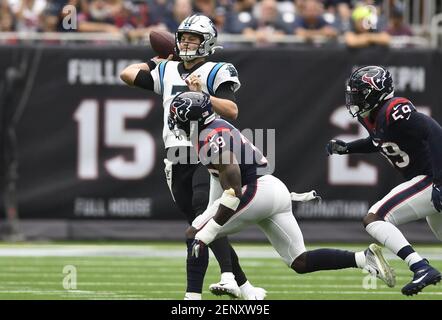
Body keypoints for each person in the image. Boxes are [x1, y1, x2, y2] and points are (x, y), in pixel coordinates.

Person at [168, 91, 396, 296]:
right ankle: (362, 258)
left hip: (256, 190)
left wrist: (207, 231)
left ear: (193, 119)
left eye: (178, 117)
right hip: (273, 189)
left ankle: (192, 300)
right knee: (300, 261)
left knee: (195, 233)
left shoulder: (209, 137)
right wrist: (209, 217)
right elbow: (220, 179)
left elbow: (233, 189)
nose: (175, 122)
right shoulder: (216, 126)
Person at [120, 14, 265, 300]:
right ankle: (245, 288)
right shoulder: (169, 69)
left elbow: (233, 111)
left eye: (192, 39)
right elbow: (127, 74)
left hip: (207, 148)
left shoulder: (216, 69)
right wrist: (156, 61)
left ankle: (211, 286)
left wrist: (203, 95)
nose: (186, 43)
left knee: (202, 213)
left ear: (207, 42)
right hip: (175, 155)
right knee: (197, 226)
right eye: (183, 38)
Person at [326, 65, 442, 296]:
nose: (354, 99)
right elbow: (380, 142)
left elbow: (434, 131)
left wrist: (440, 181)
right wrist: (348, 148)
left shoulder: (394, 108)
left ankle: (419, 266)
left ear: (375, 92)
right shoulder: (372, 116)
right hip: (426, 178)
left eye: (359, 93)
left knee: (375, 217)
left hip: (429, 178)